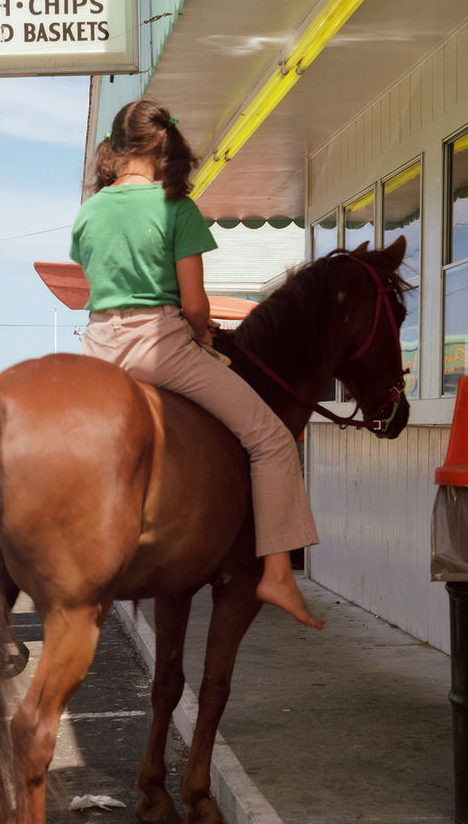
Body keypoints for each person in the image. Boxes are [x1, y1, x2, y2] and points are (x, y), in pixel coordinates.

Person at [70, 99, 324, 630]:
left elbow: (95, 278)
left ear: (116, 149)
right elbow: (192, 305)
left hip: (98, 350)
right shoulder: (175, 209)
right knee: (270, 437)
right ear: (165, 150)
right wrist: (203, 334)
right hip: (158, 346)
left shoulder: (89, 211)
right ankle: (277, 572)